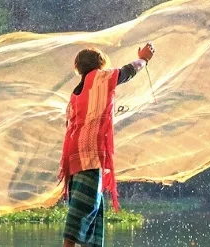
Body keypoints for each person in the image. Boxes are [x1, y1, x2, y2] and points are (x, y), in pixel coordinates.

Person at [60, 43, 154, 247]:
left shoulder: (78, 90)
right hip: (90, 155)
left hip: (76, 157)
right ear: (98, 65)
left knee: (93, 207)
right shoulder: (98, 78)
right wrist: (144, 58)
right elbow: (126, 72)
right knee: (85, 207)